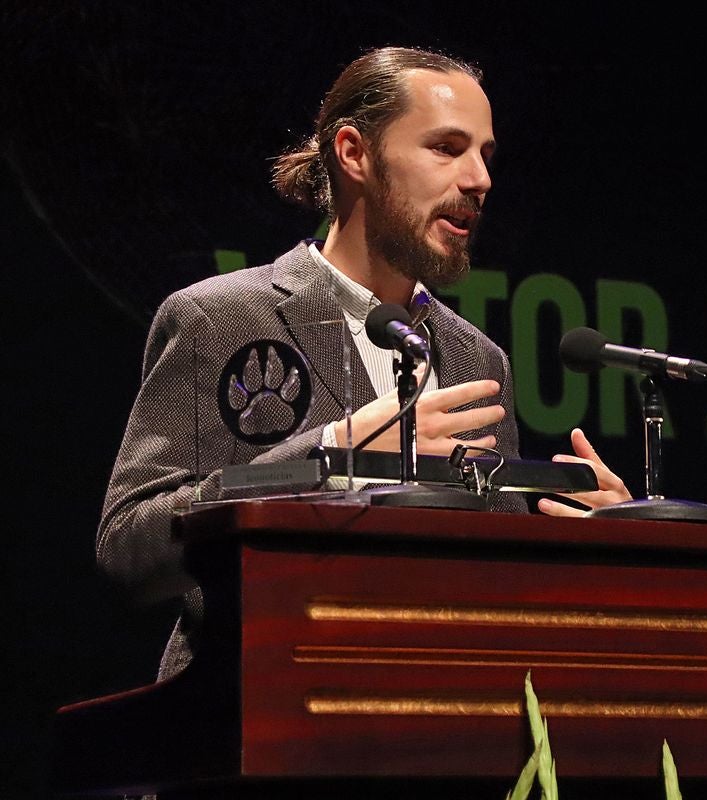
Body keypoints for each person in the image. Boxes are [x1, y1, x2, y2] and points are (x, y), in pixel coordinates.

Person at [97, 45, 630, 683]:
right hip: (259, 717)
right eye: (446, 148)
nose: (479, 179)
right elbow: (129, 549)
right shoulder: (218, 317)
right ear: (354, 153)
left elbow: (489, 587)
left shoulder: (475, 357)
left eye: (485, 155)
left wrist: (594, 540)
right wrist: (327, 458)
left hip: (432, 730)